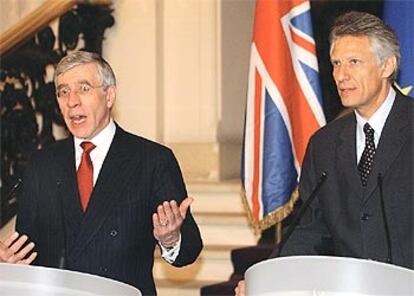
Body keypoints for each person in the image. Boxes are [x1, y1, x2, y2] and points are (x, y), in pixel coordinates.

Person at [235, 11, 413, 296]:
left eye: (354, 62)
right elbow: (309, 230)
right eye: (336, 64)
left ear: (386, 66)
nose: (341, 76)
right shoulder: (325, 144)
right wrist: (266, 279)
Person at [3, 51, 202, 295]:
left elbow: (190, 249)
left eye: (83, 89)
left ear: (109, 96)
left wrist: (171, 239)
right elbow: (27, 250)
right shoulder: (42, 164)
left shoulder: (152, 160)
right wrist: (10, 264)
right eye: (63, 91)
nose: (72, 101)